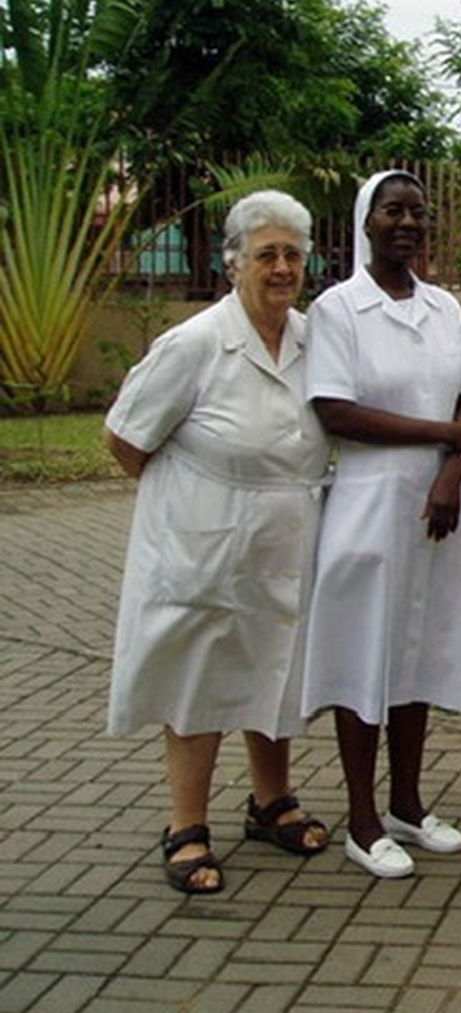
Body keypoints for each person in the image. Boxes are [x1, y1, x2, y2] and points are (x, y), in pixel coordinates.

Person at [105, 190, 330, 894]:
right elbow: (125, 439)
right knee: (198, 681)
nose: (282, 267)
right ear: (233, 263)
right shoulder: (195, 343)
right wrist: (190, 505)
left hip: (284, 540)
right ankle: (185, 825)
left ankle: (271, 801)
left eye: (293, 254)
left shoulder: (311, 339)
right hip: (203, 543)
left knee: (274, 667)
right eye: (266, 254)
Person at [302, 170, 461, 880]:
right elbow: (336, 411)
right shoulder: (338, 309)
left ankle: (408, 803)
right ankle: (362, 818)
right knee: (363, 656)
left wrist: (450, 471)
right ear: (365, 223)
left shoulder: (444, 307)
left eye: (417, 212)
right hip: (370, 504)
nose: (407, 223)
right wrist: (447, 435)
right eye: (392, 211)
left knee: (418, 653)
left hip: (440, 508)